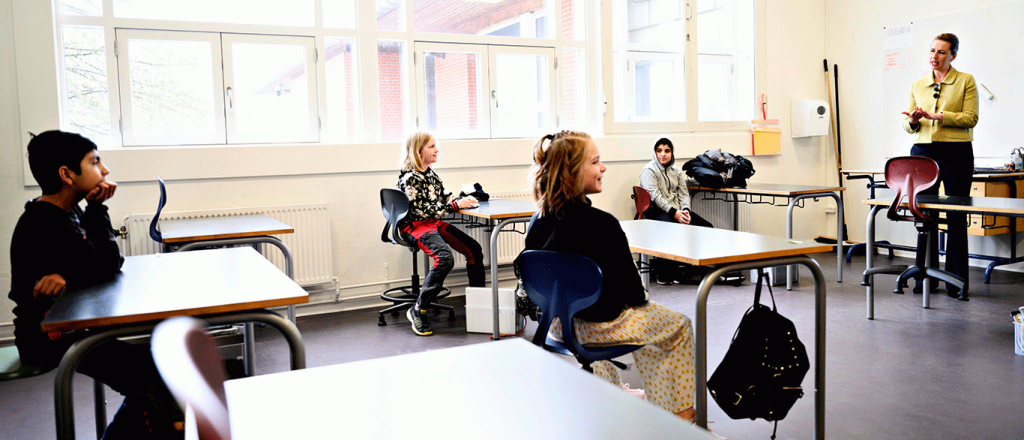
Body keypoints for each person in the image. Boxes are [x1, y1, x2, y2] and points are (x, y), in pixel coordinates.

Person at [8, 130, 183, 439]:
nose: (105, 171)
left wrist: (71, 276)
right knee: (159, 375)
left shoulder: (65, 211)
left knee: (160, 370)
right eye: (95, 161)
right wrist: (98, 208)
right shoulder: (45, 221)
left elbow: (92, 263)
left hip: (73, 328)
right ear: (66, 174)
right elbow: (106, 265)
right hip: (47, 339)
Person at [524, 130, 696, 421]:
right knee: (676, 327)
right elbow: (634, 294)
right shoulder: (603, 224)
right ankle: (681, 418)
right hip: (596, 329)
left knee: (615, 315)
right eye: (595, 162)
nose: (603, 168)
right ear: (573, 172)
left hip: (557, 325)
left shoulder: (538, 220)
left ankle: (612, 397)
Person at [900, 33, 978, 301]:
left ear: (953, 56)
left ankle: (956, 282)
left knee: (956, 216)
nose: (935, 56)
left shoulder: (965, 80)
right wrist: (912, 120)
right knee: (926, 215)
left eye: (942, 52)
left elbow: (971, 118)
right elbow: (908, 125)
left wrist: (937, 116)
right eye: (932, 50)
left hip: (956, 151)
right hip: (923, 152)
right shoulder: (918, 84)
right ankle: (926, 278)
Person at [397, 132, 485, 336]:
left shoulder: (430, 173)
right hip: (415, 226)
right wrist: (455, 206)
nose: (437, 150)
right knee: (445, 258)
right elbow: (421, 210)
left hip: (433, 223)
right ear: (419, 151)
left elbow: (444, 195)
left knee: (474, 249)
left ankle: (479, 305)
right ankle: (418, 309)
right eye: (431, 147)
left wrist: (464, 200)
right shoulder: (410, 178)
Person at [639, 137, 714, 284]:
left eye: (667, 151)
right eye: (659, 150)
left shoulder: (677, 171)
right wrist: (674, 212)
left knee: (707, 227)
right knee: (670, 228)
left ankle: (704, 272)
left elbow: (684, 194)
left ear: (672, 153)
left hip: (679, 210)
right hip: (657, 210)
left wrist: (685, 211)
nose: (663, 154)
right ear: (654, 152)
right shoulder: (648, 170)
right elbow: (656, 197)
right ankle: (664, 273)